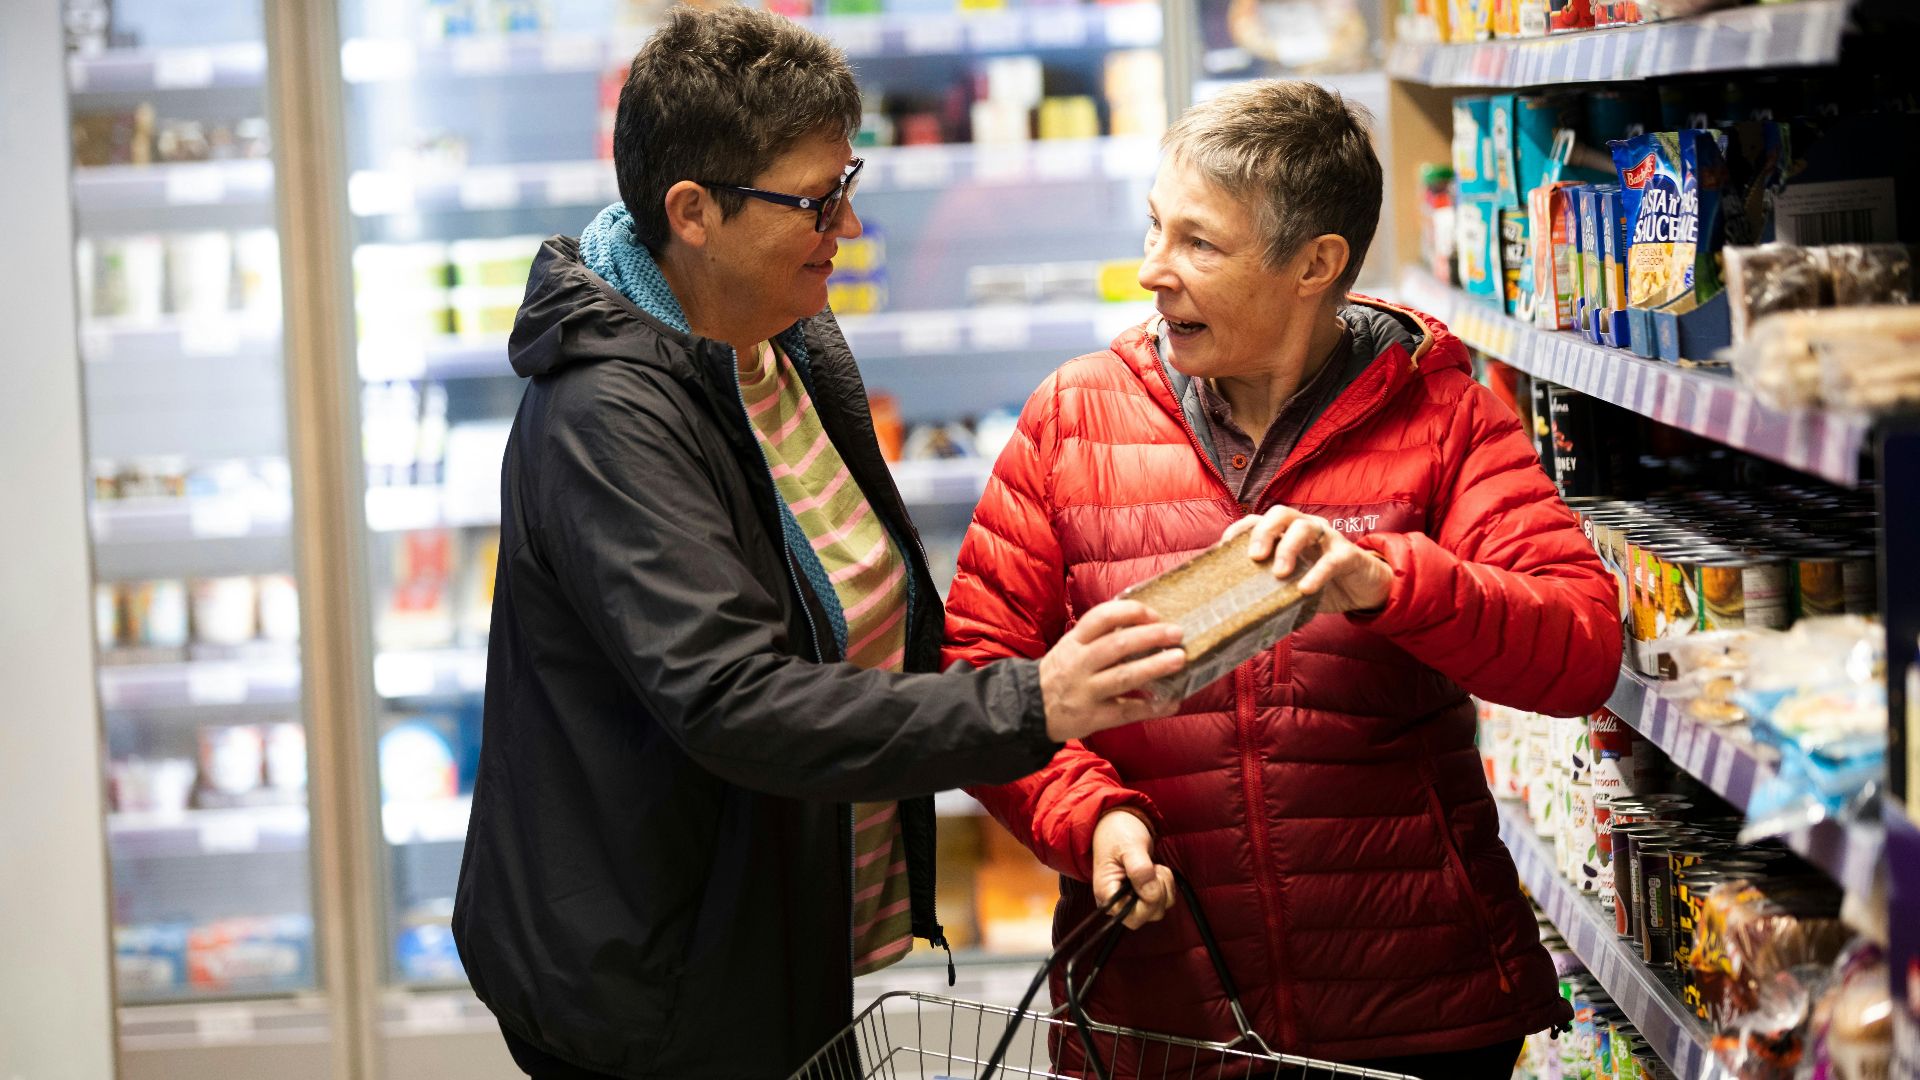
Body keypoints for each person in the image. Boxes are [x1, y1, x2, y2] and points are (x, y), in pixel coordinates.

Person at [450, 8, 1188, 1078]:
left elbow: (866, 615)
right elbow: (736, 697)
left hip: (770, 931)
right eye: (815, 200)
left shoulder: (774, 337)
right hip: (656, 992)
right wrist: (1035, 703)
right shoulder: (606, 418)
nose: (845, 224)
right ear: (692, 213)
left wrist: (1080, 796)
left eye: (850, 183)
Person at [945, 81, 1623, 1078]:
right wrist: (1091, 815)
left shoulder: (1443, 415)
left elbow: (1580, 651)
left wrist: (1388, 581)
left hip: (1417, 1011)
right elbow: (979, 673)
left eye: (1199, 246)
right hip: (1165, 1007)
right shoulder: (1074, 419)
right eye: (1154, 230)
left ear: (1316, 265)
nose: (1151, 273)